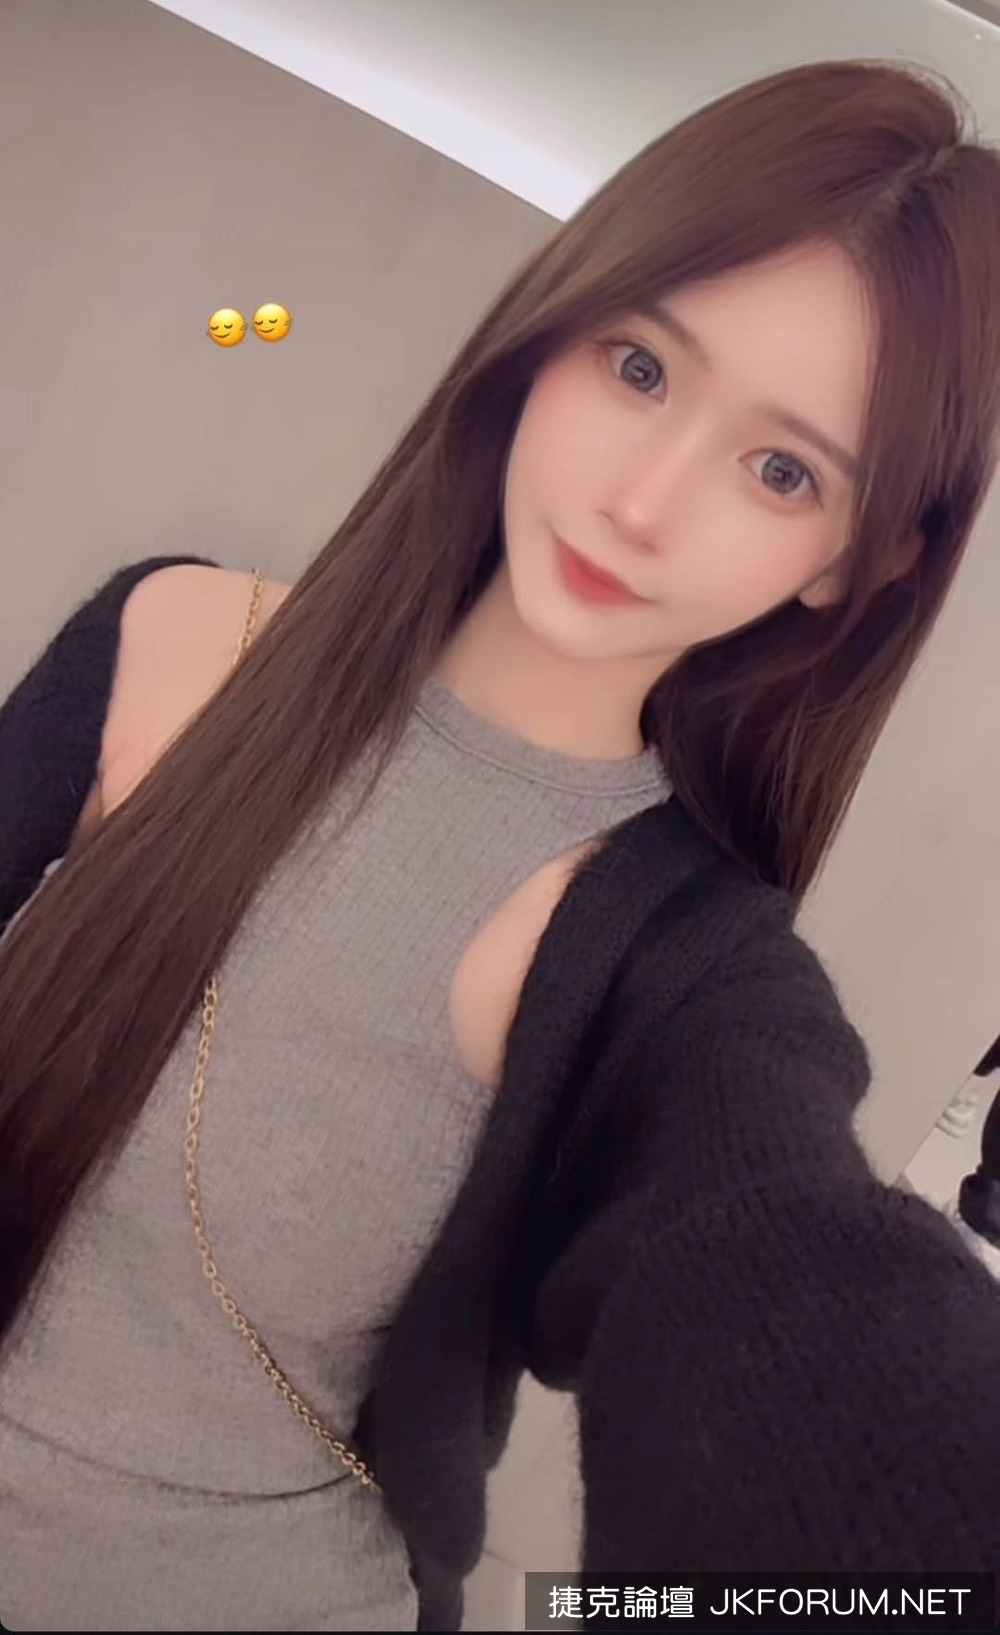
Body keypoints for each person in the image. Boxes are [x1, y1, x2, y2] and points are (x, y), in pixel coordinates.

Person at [1, 56, 999, 1634]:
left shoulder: (687, 972)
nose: (644, 502)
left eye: (782, 470)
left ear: (855, 566)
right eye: (641, 366)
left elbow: (779, 1275)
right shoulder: (164, 637)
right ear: (554, 328)